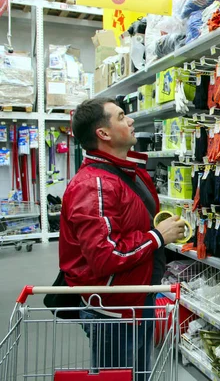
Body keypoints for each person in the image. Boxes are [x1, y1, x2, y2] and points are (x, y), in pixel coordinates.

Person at [58, 97, 186, 380]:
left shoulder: (127, 172)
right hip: (113, 309)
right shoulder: (94, 185)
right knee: (119, 375)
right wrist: (156, 237)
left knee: (138, 373)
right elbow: (105, 255)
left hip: (137, 297)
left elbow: (127, 228)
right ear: (103, 134)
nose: (130, 121)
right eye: (120, 116)